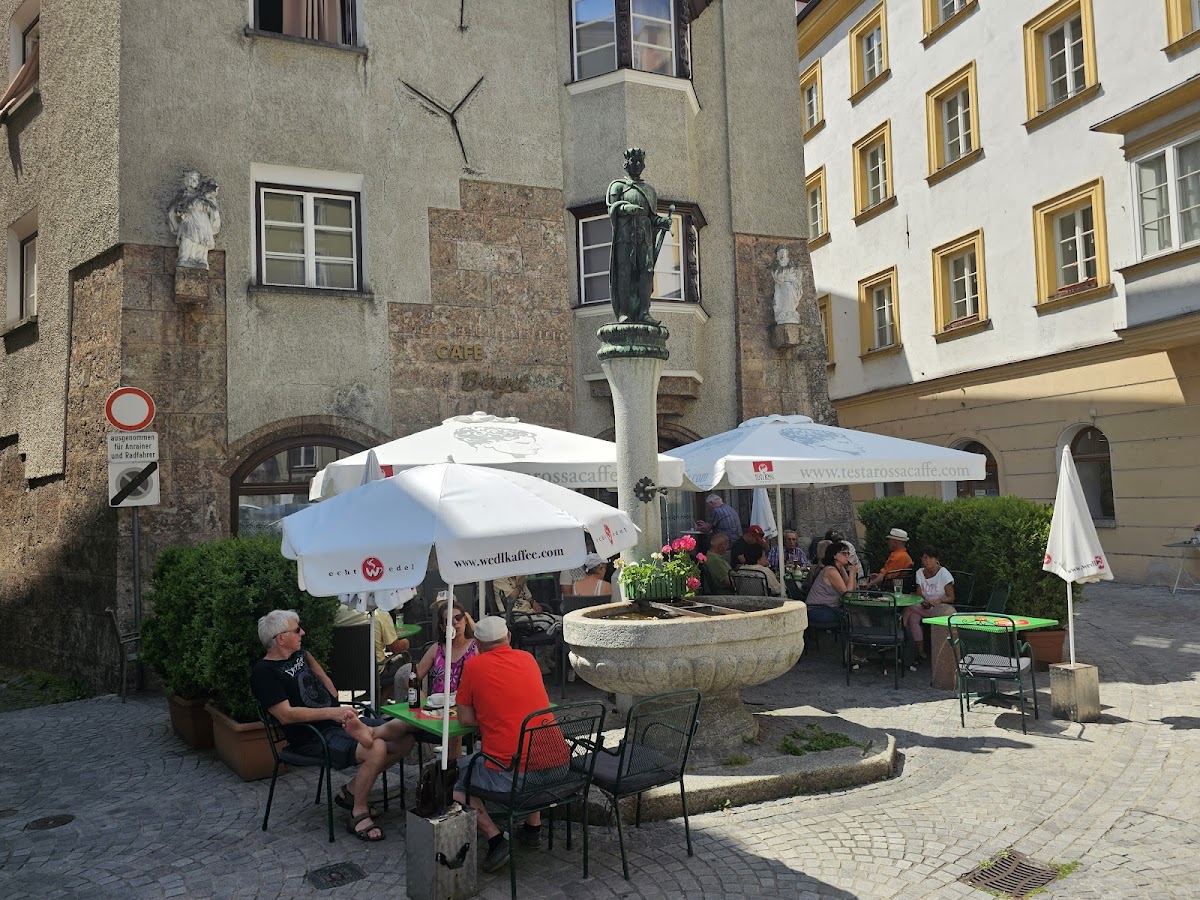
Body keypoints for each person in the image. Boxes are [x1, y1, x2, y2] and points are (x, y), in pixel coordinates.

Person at [251, 609, 416, 842]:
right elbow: (285, 715)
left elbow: (319, 673)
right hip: (311, 736)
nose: (302, 632)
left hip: (338, 722)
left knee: (405, 740)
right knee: (376, 748)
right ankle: (358, 811)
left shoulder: (300, 653)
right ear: (280, 638)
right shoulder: (264, 673)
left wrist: (334, 697)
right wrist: (333, 712)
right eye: (297, 630)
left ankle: (351, 791)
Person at [453, 617, 568, 873]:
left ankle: (495, 839)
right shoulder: (527, 659)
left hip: (517, 778)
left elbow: (465, 719)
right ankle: (532, 829)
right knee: (528, 746)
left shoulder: (474, 666)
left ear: (478, 645)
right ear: (508, 637)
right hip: (560, 766)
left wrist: (490, 716)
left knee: (454, 777)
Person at [607, 147, 674, 325]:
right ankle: (623, 312)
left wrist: (662, 221)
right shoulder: (617, 186)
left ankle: (644, 311)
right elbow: (612, 208)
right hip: (625, 235)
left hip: (644, 236)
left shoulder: (650, 190)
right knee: (624, 271)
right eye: (633, 161)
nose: (637, 165)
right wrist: (624, 208)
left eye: (640, 162)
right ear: (626, 164)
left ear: (643, 165)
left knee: (647, 271)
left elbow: (652, 217)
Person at [335, 605, 412, 703]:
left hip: (341, 672)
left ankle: (371, 697)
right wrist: (405, 643)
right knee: (404, 663)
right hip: (373, 672)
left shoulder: (336, 611)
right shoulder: (379, 614)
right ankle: (378, 703)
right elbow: (395, 648)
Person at [903, 546, 956, 668]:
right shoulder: (919, 573)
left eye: (930, 558)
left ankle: (901, 628)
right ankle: (920, 652)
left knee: (909, 608)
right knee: (913, 618)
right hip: (923, 607)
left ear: (937, 559)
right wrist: (923, 602)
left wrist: (939, 601)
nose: (927, 561)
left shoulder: (944, 574)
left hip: (939, 609)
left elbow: (951, 597)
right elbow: (919, 594)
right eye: (924, 558)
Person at [805, 542, 855, 627]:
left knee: (855, 611)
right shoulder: (831, 571)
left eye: (848, 553)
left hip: (826, 608)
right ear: (834, 556)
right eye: (844, 553)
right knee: (852, 614)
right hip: (817, 610)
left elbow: (850, 587)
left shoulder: (838, 569)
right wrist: (852, 573)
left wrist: (843, 569)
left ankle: (861, 633)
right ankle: (857, 634)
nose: (847, 556)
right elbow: (848, 594)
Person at [771, 246, 801, 325]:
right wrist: (784, 277)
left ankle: (790, 312)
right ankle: (784, 312)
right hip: (782, 286)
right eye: (780, 252)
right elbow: (777, 276)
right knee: (784, 294)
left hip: (791, 284)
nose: (782, 254)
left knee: (790, 294)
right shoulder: (776, 265)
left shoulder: (791, 263)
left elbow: (796, 273)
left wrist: (790, 278)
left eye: (783, 252)